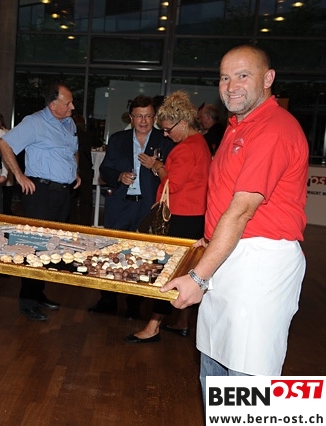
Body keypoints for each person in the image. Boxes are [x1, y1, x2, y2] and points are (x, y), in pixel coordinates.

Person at [161, 45, 308, 405]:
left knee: (248, 383)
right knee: (215, 371)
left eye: (243, 75)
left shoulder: (274, 128)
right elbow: (226, 199)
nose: (231, 86)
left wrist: (198, 277)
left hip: (259, 265)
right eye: (225, 77)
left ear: (268, 78)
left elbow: (242, 211)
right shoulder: (237, 126)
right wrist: (208, 241)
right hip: (229, 258)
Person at [125, 90, 211, 343]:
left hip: (181, 217)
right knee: (186, 270)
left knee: (167, 271)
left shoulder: (186, 149)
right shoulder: (200, 143)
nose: (164, 134)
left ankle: (153, 327)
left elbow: (172, 185)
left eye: (167, 129)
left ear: (182, 123)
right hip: (194, 216)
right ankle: (182, 322)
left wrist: (157, 166)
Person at [0, 82, 81, 321]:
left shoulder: (69, 123)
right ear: (53, 105)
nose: (72, 107)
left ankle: (39, 293)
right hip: (41, 193)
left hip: (63, 193)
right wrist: (19, 175)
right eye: (68, 103)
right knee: (35, 246)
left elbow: (72, 150)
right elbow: (4, 144)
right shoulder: (34, 122)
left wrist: (73, 171)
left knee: (53, 246)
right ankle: (28, 301)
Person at [89, 95, 173, 317]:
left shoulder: (164, 140)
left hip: (148, 207)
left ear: (154, 117)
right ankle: (108, 300)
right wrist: (119, 176)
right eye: (139, 116)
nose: (143, 121)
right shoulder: (118, 139)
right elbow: (105, 170)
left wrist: (156, 165)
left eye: (148, 116)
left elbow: (173, 174)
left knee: (143, 256)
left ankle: (135, 304)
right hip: (121, 205)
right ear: (131, 117)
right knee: (113, 253)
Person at [69, 113, 94, 226]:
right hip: (86, 169)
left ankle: (72, 223)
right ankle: (86, 224)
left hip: (74, 169)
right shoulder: (87, 136)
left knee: (72, 200)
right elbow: (98, 142)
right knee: (87, 201)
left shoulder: (70, 135)